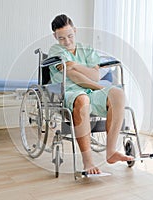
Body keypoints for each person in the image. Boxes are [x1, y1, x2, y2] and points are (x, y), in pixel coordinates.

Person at [48, 14, 133, 174]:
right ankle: (88, 161)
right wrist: (94, 81)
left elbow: (95, 75)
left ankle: (111, 151)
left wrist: (74, 66)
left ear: (75, 30)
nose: (67, 41)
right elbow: (73, 76)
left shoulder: (86, 49)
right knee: (83, 98)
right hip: (70, 92)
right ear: (55, 37)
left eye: (70, 36)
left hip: (92, 89)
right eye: (61, 38)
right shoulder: (55, 51)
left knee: (118, 94)